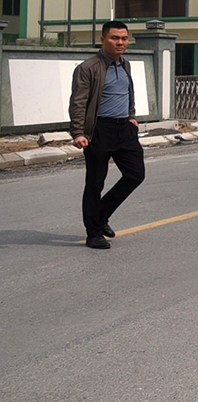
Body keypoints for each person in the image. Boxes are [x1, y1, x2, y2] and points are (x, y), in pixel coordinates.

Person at [70, 20, 142, 250]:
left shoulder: (125, 64)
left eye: (124, 38)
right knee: (95, 182)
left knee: (135, 175)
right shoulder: (88, 68)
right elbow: (78, 102)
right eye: (115, 38)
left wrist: (131, 115)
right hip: (99, 130)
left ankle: (100, 216)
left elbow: (127, 92)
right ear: (103, 40)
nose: (120, 42)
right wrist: (78, 132)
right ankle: (93, 233)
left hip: (124, 130)